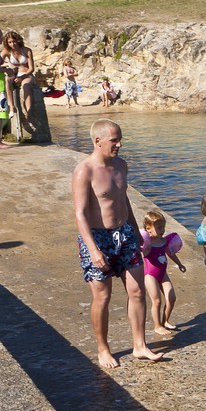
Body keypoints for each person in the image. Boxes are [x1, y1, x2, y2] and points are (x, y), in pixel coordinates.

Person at [72, 120, 164, 368]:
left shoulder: (122, 166)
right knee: (102, 296)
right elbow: (79, 214)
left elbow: (123, 201)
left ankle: (140, 346)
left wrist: (136, 233)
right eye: (114, 140)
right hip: (97, 238)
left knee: (137, 291)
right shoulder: (84, 171)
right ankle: (103, 348)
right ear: (97, 141)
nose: (119, 144)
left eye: (120, 139)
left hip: (124, 234)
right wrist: (93, 249)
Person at [140, 209, 186, 336]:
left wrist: (179, 264)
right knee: (157, 301)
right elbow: (139, 251)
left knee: (171, 297)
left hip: (163, 273)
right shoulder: (147, 244)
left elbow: (170, 253)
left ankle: (165, 321)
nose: (162, 230)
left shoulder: (163, 241)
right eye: (159, 228)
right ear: (148, 229)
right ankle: (157, 326)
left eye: (163, 227)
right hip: (150, 275)